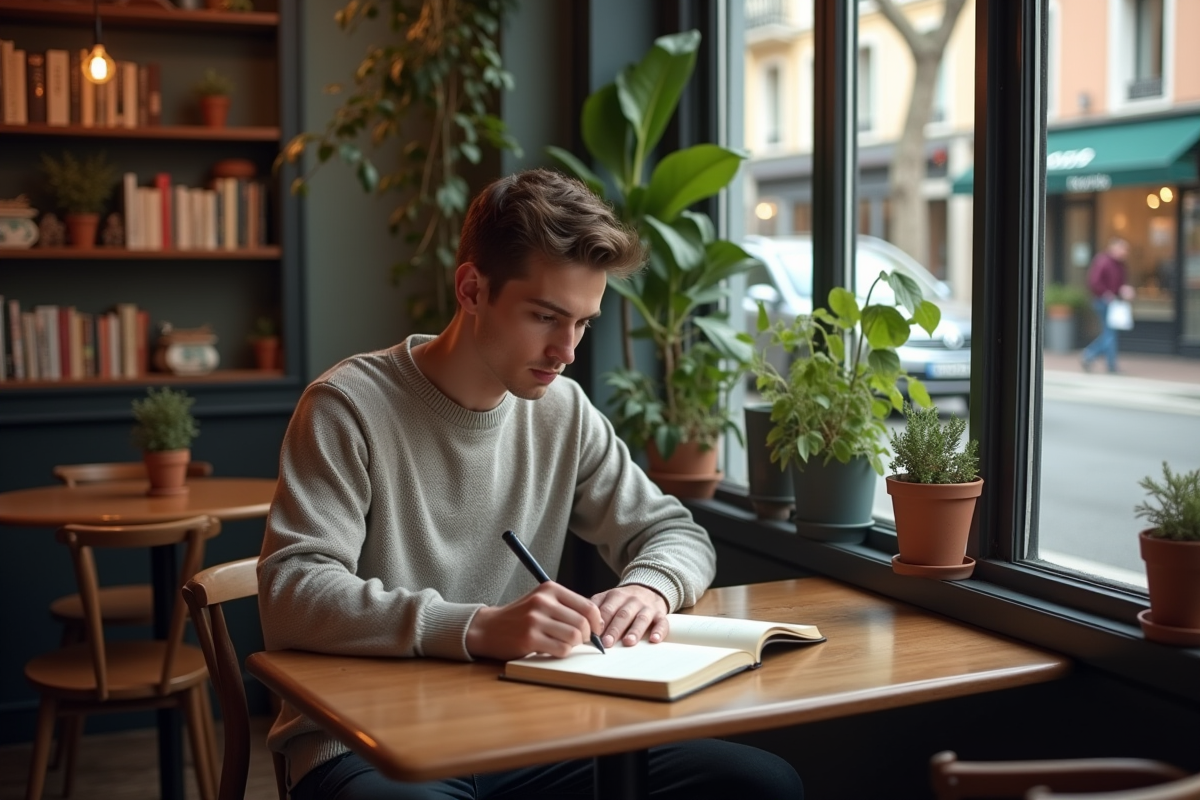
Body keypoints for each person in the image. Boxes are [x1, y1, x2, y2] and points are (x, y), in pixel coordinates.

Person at [258, 168, 805, 800]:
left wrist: (649, 588)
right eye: (546, 316)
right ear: (471, 289)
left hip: (526, 724)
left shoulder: (562, 411)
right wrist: (476, 627)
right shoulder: (345, 406)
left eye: (583, 323)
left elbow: (672, 531)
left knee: (759, 784)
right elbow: (292, 590)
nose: (566, 349)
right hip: (364, 739)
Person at [1080, 237, 1134, 374]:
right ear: (1114, 248)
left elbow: (1120, 283)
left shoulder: (1120, 264)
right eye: (1123, 249)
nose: (1125, 252)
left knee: (1110, 334)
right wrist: (1105, 294)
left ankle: (1108, 364)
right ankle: (1090, 355)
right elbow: (1093, 282)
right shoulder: (1103, 261)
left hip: (1114, 303)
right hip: (1102, 302)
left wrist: (1124, 290)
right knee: (1110, 335)